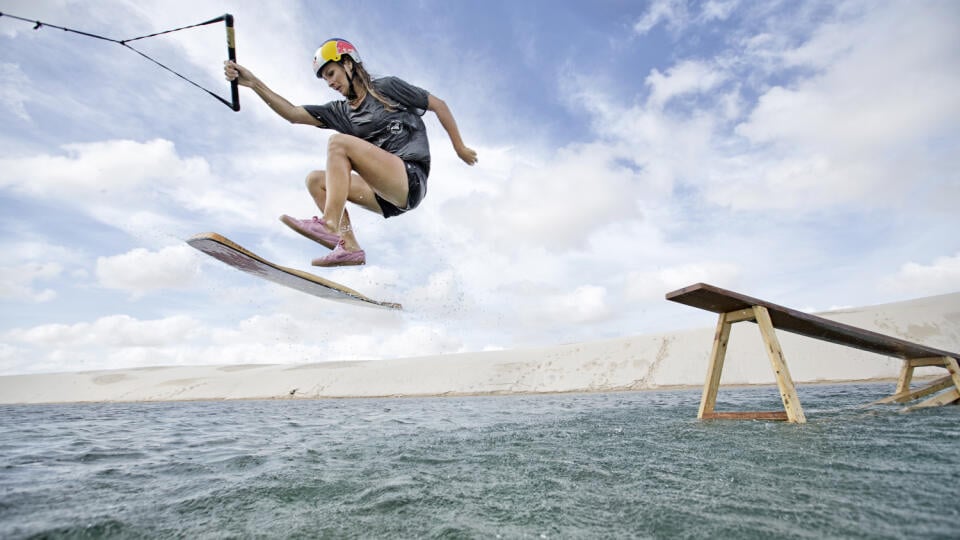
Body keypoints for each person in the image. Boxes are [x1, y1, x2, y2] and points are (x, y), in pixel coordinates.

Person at [224, 38, 477, 267]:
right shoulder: (341, 111)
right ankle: (349, 247)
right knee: (315, 180)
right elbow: (292, 113)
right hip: (384, 195)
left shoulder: (387, 88)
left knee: (338, 143)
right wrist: (253, 83)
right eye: (325, 79)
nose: (330, 82)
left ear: (348, 63)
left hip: (410, 178)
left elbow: (438, 105)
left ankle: (329, 224)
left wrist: (460, 147)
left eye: (332, 73)